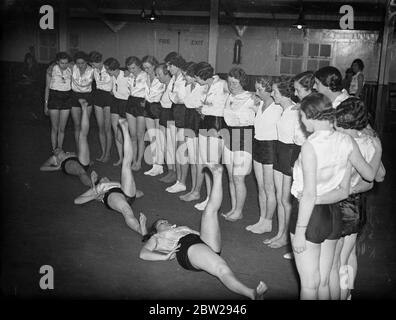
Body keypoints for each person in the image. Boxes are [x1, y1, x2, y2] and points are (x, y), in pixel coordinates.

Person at [289, 93, 382, 300]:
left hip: (311, 215)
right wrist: (378, 151)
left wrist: (300, 230)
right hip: (336, 212)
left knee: (310, 285)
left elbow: (310, 194)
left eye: (302, 117)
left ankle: (345, 292)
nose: (302, 122)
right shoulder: (346, 141)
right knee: (331, 273)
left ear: (311, 115)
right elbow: (348, 187)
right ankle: (346, 294)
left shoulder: (310, 145)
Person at [139, 163, 268, 300]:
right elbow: (143, 253)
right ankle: (251, 294)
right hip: (187, 250)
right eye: (161, 223)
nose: (165, 222)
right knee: (221, 269)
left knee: (209, 211)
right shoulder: (157, 237)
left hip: (202, 241)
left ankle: (217, 175)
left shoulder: (179, 228)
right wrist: (163, 257)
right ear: (155, 230)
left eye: (165, 220)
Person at [74, 119, 146, 235]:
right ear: (99, 181)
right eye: (102, 178)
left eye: (104, 178)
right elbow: (77, 201)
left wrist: (133, 191)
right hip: (111, 196)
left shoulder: (116, 183)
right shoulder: (98, 188)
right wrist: (95, 194)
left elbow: (140, 193)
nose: (104, 178)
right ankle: (140, 229)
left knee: (126, 165)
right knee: (127, 212)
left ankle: (125, 129)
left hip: (125, 192)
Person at [263, 76, 305, 249]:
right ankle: (280, 233)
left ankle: (287, 237)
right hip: (279, 152)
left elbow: (300, 139)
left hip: (289, 154)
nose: (272, 94)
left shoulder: (296, 111)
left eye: (275, 91)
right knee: (281, 197)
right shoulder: (283, 109)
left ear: (285, 94)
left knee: (286, 200)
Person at [245, 76, 282, 235]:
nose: (257, 92)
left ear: (270, 91)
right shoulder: (259, 104)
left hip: (270, 147)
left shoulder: (279, 106)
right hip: (257, 144)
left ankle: (268, 222)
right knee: (260, 187)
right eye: (256, 88)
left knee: (269, 188)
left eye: (260, 89)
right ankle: (262, 219)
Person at [221, 67, 255, 222]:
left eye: (235, 83)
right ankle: (234, 208)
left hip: (244, 137)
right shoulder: (228, 96)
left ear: (242, 82)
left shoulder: (252, 98)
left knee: (238, 178)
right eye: (229, 82)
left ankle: (239, 211)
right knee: (230, 177)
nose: (232, 85)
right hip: (229, 136)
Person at [194, 62, 229, 211]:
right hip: (204, 122)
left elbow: (239, 94)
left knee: (214, 163)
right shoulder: (202, 86)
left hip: (217, 123)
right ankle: (209, 197)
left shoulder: (223, 84)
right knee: (205, 162)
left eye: (197, 77)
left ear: (203, 76)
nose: (195, 80)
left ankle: (215, 200)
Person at [40, 101, 92, 187]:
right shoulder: (54, 158)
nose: (57, 149)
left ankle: (84, 108)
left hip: (81, 160)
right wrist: (56, 168)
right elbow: (42, 168)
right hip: (67, 163)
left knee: (82, 136)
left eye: (58, 148)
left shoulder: (67, 152)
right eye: (55, 150)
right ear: (54, 153)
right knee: (81, 172)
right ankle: (95, 188)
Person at [179, 62, 207, 202]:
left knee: (198, 160)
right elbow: (185, 102)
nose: (185, 79)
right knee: (192, 157)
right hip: (189, 118)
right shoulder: (189, 86)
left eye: (186, 76)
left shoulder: (203, 87)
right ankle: (193, 190)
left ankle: (197, 191)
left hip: (198, 120)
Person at [166, 54, 188, 193]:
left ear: (178, 65)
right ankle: (179, 180)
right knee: (177, 149)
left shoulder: (184, 78)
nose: (168, 68)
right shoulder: (174, 78)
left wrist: (174, 97)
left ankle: (182, 182)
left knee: (182, 150)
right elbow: (173, 96)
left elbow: (181, 98)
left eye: (170, 65)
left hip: (184, 113)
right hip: (176, 111)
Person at [142, 55, 166, 177]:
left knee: (159, 138)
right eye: (144, 68)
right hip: (148, 107)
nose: (146, 70)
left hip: (157, 107)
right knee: (152, 137)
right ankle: (155, 165)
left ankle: (160, 165)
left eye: (148, 67)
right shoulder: (145, 76)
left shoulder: (160, 76)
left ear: (154, 65)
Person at [104, 57, 130, 166]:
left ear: (112, 69)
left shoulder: (126, 75)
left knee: (124, 133)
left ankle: (127, 158)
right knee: (116, 133)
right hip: (115, 102)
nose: (105, 71)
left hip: (126, 104)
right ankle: (121, 158)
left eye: (107, 69)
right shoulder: (112, 76)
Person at [44, 52, 72, 151]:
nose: (64, 65)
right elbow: (47, 87)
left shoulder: (71, 69)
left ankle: (59, 149)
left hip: (67, 98)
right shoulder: (51, 70)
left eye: (66, 63)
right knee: (54, 128)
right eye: (62, 63)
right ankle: (53, 150)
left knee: (62, 128)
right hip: (54, 98)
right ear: (57, 62)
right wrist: (46, 105)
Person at [89, 51, 113, 163]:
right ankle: (103, 152)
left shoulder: (108, 69)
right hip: (98, 96)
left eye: (94, 64)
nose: (93, 66)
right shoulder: (93, 69)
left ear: (101, 62)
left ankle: (108, 153)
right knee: (101, 127)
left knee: (108, 128)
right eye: (92, 64)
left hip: (108, 97)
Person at [126, 56, 148, 171]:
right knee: (132, 135)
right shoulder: (128, 75)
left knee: (140, 135)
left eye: (133, 68)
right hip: (130, 102)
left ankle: (139, 161)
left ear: (139, 66)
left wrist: (145, 102)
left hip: (141, 103)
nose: (131, 71)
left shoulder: (146, 75)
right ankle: (133, 159)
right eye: (129, 68)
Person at [156, 63, 177, 184]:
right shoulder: (165, 85)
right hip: (164, 113)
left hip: (171, 114)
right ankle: (170, 171)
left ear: (166, 73)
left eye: (159, 74)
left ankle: (173, 172)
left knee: (171, 146)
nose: (157, 77)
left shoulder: (173, 85)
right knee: (164, 144)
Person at [70, 51, 94, 148]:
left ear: (87, 62)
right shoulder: (72, 67)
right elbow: (57, 65)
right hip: (75, 96)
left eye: (83, 63)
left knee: (85, 127)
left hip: (87, 97)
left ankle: (84, 149)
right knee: (77, 125)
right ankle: (78, 149)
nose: (80, 65)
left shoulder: (92, 70)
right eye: (78, 63)